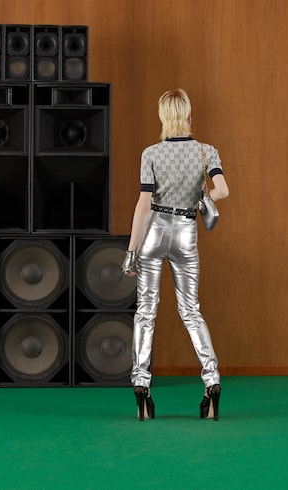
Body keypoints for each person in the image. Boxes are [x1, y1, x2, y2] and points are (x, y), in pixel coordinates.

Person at [122, 88, 229, 421]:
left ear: (162, 117)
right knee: (191, 311)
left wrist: (131, 252)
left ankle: (141, 385)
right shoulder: (205, 151)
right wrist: (202, 200)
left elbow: (143, 205)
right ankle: (211, 380)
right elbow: (223, 190)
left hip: (154, 230)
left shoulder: (151, 154)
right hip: (185, 232)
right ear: (188, 115)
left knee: (146, 311)